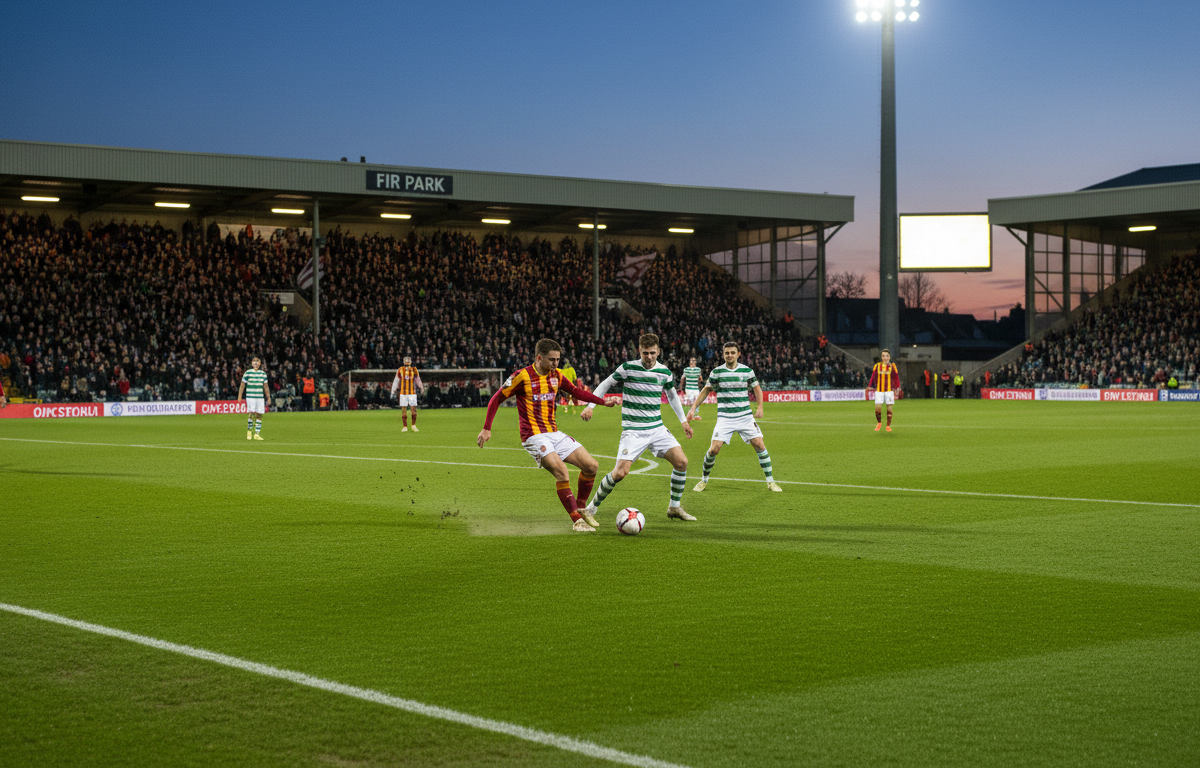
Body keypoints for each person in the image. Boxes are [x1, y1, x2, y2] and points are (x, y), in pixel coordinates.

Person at [477, 338, 615, 533]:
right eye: (552, 359)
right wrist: (486, 428)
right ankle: (577, 520)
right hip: (533, 436)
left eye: (558, 359)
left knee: (591, 466)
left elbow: (575, 392)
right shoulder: (521, 376)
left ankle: (581, 507)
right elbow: (496, 399)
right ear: (539, 358)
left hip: (553, 433)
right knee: (561, 472)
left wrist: (602, 402)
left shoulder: (556, 376)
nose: (556, 364)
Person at [580, 333, 697, 522]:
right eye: (645, 353)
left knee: (682, 462)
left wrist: (683, 421)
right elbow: (605, 383)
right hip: (633, 430)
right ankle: (590, 509)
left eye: (652, 353)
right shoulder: (628, 368)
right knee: (620, 473)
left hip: (657, 428)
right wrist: (590, 406)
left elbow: (673, 396)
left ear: (658, 351)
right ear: (639, 351)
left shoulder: (664, 372)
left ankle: (674, 507)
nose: (649, 357)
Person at [685, 341, 782, 493]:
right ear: (723, 355)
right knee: (713, 450)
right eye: (727, 353)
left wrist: (760, 407)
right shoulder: (717, 372)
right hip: (725, 418)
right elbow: (706, 390)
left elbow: (757, 388)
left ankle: (771, 482)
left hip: (745, 417)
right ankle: (703, 480)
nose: (729, 355)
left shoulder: (747, 371)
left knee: (760, 445)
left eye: (732, 352)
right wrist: (693, 407)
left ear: (738, 354)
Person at [868, 349, 900, 432]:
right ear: (881, 357)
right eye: (883, 356)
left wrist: (898, 387)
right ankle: (879, 423)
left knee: (889, 408)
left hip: (889, 391)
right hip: (879, 391)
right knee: (877, 408)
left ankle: (888, 426)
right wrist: (870, 385)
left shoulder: (893, 366)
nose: (885, 357)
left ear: (889, 357)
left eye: (886, 356)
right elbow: (873, 376)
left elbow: (896, 377)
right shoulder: (877, 366)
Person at [238, 356, 269, 440]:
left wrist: (268, 397)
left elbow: (266, 386)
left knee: (259, 414)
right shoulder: (247, 373)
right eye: (254, 361)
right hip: (250, 397)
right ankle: (249, 431)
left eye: (257, 361)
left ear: (260, 363)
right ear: (252, 363)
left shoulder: (263, 374)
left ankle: (256, 434)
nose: (255, 362)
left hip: (260, 397)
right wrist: (240, 396)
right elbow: (242, 385)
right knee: (251, 413)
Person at [390, 356, 424, 431]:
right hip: (403, 393)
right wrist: (393, 391)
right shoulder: (400, 370)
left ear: (411, 361)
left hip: (412, 393)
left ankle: (413, 425)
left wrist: (421, 388)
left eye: (408, 360)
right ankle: (405, 426)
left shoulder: (414, 369)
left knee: (414, 410)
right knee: (404, 410)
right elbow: (396, 380)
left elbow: (418, 380)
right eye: (405, 360)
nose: (407, 361)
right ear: (403, 361)